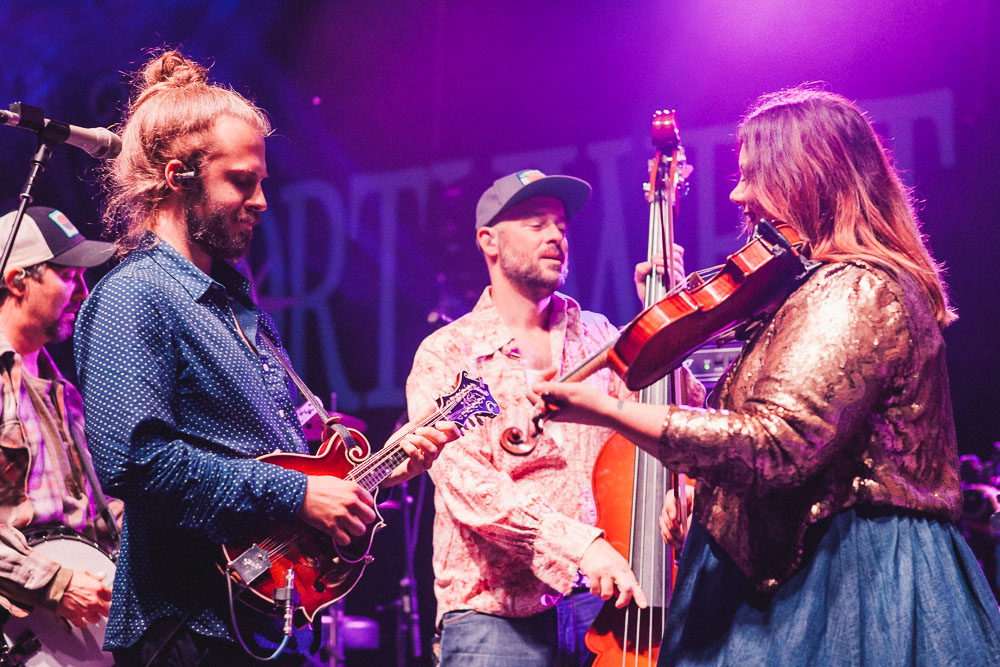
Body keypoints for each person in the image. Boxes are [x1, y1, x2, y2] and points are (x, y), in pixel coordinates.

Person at [534, 86, 1000, 665]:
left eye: (753, 175)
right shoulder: (807, 290)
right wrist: (710, 498)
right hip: (807, 566)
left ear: (809, 176)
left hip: (847, 578)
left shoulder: (855, 287)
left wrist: (607, 410)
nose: (738, 193)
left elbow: (776, 446)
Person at [72, 50, 458, 666]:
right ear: (179, 178)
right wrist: (296, 497)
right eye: (241, 182)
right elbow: (137, 466)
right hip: (185, 629)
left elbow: (276, 459)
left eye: (262, 183)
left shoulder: (235, 305)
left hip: (260, 621)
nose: (260, 202)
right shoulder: (133, 294)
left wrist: (370, 476)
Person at [405, 169, 702, 666]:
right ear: (489, 241)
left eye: (561, 225)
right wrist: (581, 548)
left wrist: (667, 315)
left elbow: (676, 420)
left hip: (605, 607)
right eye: (535, 223)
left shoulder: (603, 337)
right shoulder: (447, 352)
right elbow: (470, 488)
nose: (555, 236)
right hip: (495, 619)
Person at [0, 206, 117, 630]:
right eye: (68, 276)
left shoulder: (60, 388)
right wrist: (54, 584)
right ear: (17, 281)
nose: (83, 292)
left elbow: (89, 511)